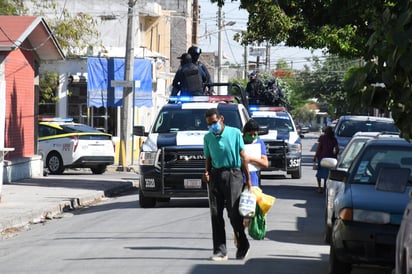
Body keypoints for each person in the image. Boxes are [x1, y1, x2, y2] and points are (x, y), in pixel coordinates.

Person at [203, 108, 252, 261]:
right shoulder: (208, 138)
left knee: (233, 213)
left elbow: (243, 157)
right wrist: (206, 172)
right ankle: (220, 250)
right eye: (209, 124)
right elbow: (208, 158)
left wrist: (248, 179)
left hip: (233, 174)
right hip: (215, 175)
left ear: (221, 119)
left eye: (214, 123)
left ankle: (243, 244)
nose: (212, 126)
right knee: (216, 214)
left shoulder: (235, 133)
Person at [242, 119, 269, 187]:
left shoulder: (259, 143)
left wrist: (250, 159)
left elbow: (265, 163)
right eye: (250, 134)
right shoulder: (239, 142)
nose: (253, 136)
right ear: (244, 132)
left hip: (254, 180)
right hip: (239, 180)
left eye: (255, 134)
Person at [313, 126, 339, 193]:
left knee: (319, 172)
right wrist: (335, 155)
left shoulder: (322, 138)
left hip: (322, 157)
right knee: (327, 173)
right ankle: (325, 186)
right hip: (330, 158)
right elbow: (337, 149)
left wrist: (315, 156)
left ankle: (319, 187)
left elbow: (319, 147)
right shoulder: (334, 139)